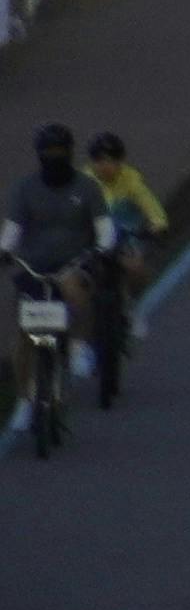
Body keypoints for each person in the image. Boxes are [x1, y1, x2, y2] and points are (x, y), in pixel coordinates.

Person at [5, 127, 101, 413]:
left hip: (73, 263)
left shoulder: (86, 187)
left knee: (75, 289)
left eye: (59, 151)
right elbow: (12, 229)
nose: (54, 157)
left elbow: (102, 225)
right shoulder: (24, 189)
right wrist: (4, 250)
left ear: (70, 152)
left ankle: (77, 346)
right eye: (49, 152)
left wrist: (102, 246)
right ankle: (24, 401)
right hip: (34, 268)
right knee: (25, 336)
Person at [77, 134, 159, 405]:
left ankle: (131, 308)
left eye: (111, 160)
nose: (105, 166)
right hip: (89, 246)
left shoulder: (131, 180)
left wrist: (157, 224)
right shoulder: (82, 183)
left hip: (124, 243)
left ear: (121, 162)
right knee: (80, 289)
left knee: (135, 268)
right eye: (99, 160)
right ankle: (85, 346)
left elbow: (152, 208)